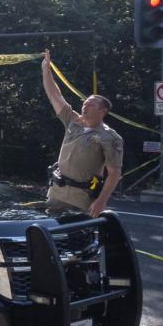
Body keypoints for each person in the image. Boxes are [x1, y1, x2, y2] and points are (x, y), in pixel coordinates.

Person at [41, 49, 124, 217]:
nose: (85, 106)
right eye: (84, 103)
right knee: (48, 237)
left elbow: (114, 174)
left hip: (80, 200)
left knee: (74, 239)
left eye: (91, 105)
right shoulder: (73, 121)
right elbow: (55, 95)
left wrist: (101, 201)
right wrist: (46, 70)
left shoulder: (110, 137)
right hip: (55, 193)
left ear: (103, 111)